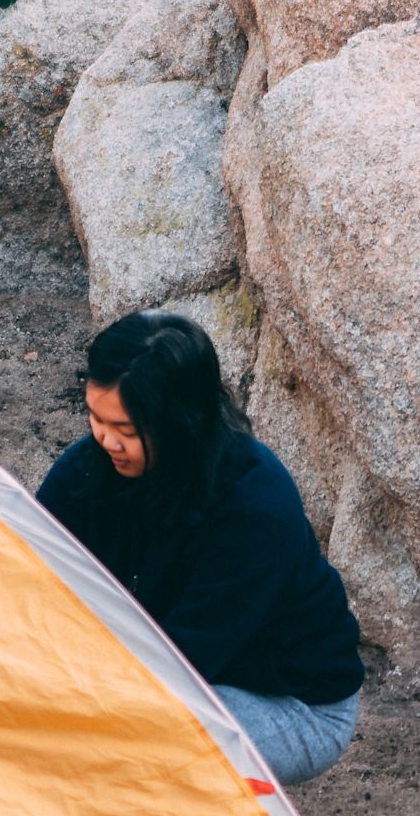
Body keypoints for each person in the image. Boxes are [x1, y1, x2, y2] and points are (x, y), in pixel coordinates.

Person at [39, 312, 366, 786]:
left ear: (177, 422)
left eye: (126, 430)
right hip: (182, 665)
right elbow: (27, 566)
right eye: (95, 418)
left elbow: (174, 671)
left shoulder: (255, 506)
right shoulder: (93, 467)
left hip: (295, 705)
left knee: (124, 744)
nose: (105, 440)